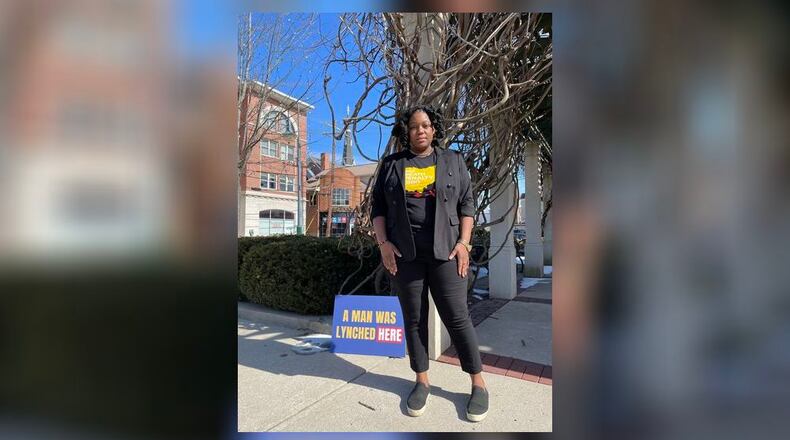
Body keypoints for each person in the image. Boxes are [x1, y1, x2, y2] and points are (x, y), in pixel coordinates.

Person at [370, 105, 489, 422]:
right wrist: (383, 245)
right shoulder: (392, 165)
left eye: (425, 125)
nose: (420, 130)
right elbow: (378, 207)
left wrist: (464, 243)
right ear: (406, 131)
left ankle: (478, 382)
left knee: (457, 317)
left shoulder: (452, 160)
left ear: (434, 129)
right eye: (413, 126)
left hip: (446, 253)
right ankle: (421, 380)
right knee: (414, 319)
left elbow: (467, 204)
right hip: (405, 255)